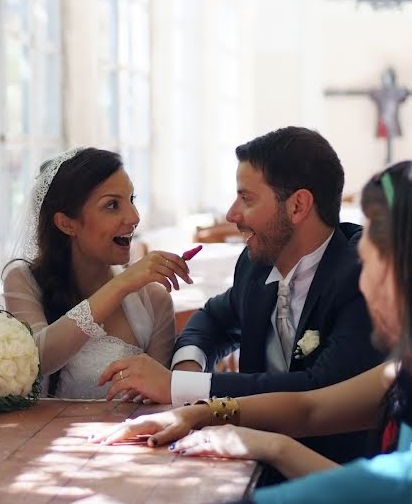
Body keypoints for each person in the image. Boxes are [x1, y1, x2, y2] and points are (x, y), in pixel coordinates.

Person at [44, 156, 412, 504]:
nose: (363, 284)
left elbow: (411, 490)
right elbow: (314, 406)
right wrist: (200, 414)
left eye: (372, 260)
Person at [100, 127, 382, 466]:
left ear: (298, 206)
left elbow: (319, 389)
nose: (232, 214)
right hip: (245, 465)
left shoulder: (363, 275)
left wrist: (181, 387)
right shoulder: (255, 266)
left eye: (246, 198)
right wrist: (188, 367)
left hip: (334, 480)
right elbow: (213, 320)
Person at [2, 147, 192, 399]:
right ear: (66, 223)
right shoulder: (23, 279)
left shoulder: (154, 301)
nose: (134, 217)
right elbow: (36, 361)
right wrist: (122, 283)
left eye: (132, 200)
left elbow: (158, 404)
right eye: (112, 205)